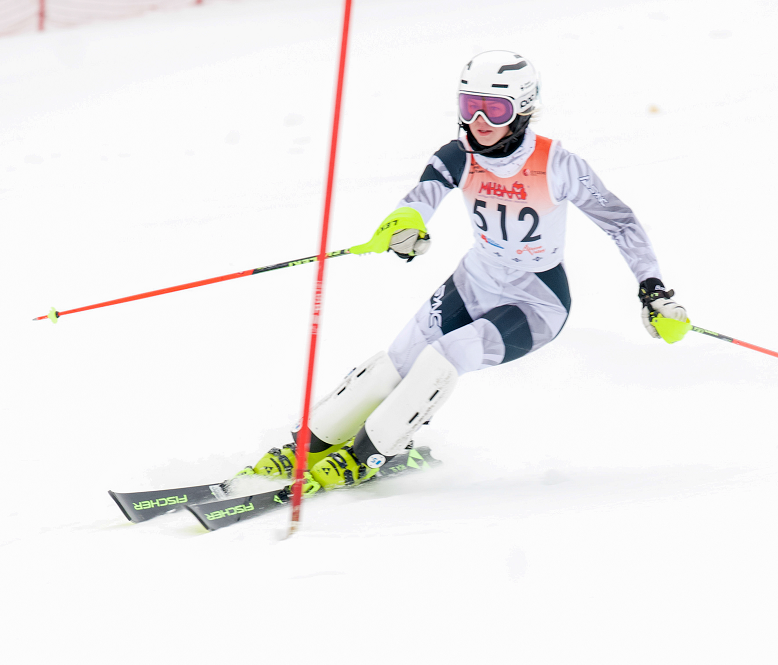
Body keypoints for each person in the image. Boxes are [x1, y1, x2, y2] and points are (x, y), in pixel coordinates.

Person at [248, 50, 688, 490]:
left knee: (445, 356)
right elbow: (422, 195)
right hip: (473, 281)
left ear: (524, 110)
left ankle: (369, 455)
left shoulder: (558, 163)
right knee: (398, 359)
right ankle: (312, 442)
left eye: (495, 109)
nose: (479, 119)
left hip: (535, 302)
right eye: (468, 105)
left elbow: (621, 222)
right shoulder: (458, 155)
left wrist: (653, 290)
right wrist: (405, 224)